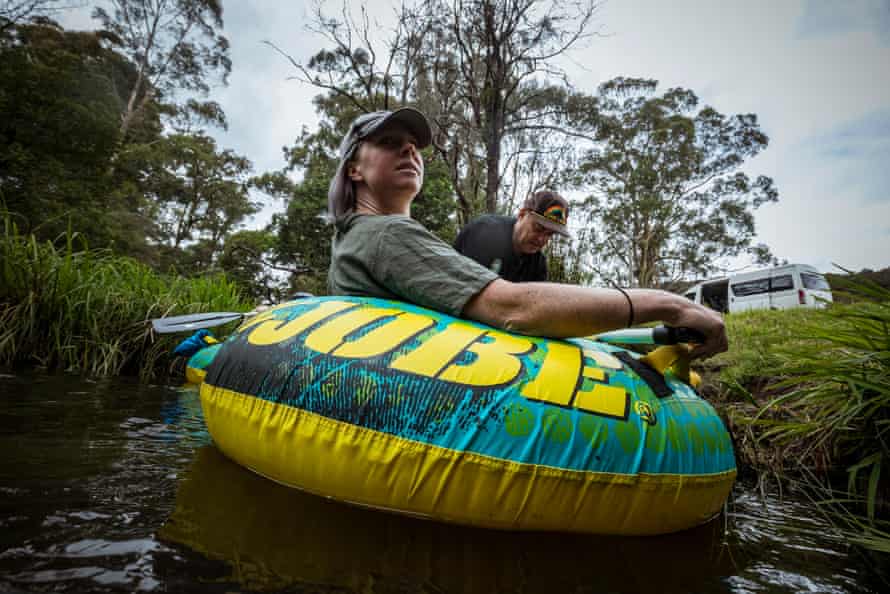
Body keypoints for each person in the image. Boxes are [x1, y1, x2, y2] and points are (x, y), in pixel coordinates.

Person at [326, 107, 727, 359]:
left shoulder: (357, 236)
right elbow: (514, 310)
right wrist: (669, 304)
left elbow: (540, 322)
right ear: (354, 170)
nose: (409, 151)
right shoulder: (389, 235)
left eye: (414, 146)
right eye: (389, 143)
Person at [454, 191, 569, 282]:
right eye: (538, 229)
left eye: (549, 234)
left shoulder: (538, 264)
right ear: (522, 214)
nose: (541, 239)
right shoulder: (486, 232)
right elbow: (465, 286)